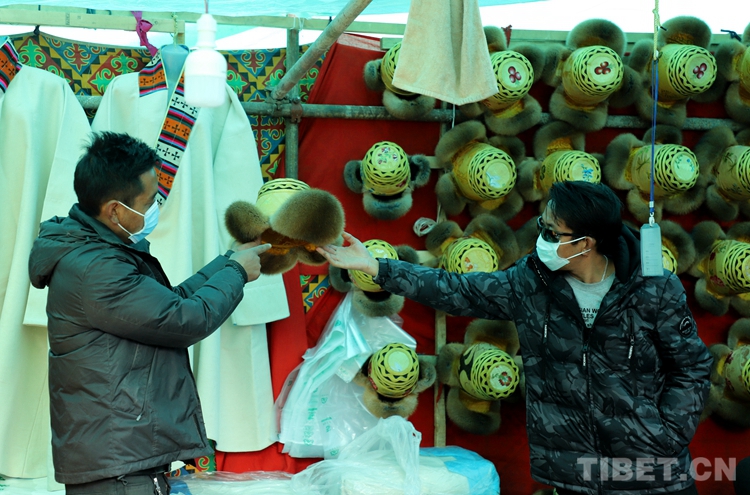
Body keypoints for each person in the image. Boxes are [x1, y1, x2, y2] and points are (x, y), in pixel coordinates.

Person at [318, 180, 712, 495]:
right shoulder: (533, 283)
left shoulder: (653, 289)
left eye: (552, 232)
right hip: (576, 473)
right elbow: (460, 290)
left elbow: (692, 367)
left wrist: (666, 434)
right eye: (542, 226)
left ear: (585, 244)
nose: (542, 238)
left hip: (653, 473)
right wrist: (377, 268)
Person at [28, 131, 270, 494]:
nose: (155, 207)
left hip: (122, 456)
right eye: (149, 201)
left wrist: (228, 261)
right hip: (119, 466)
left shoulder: (98, 251)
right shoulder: (96, 268)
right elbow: (185, 319)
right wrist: (237, 273)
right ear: (114, 210)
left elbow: (167, 304)